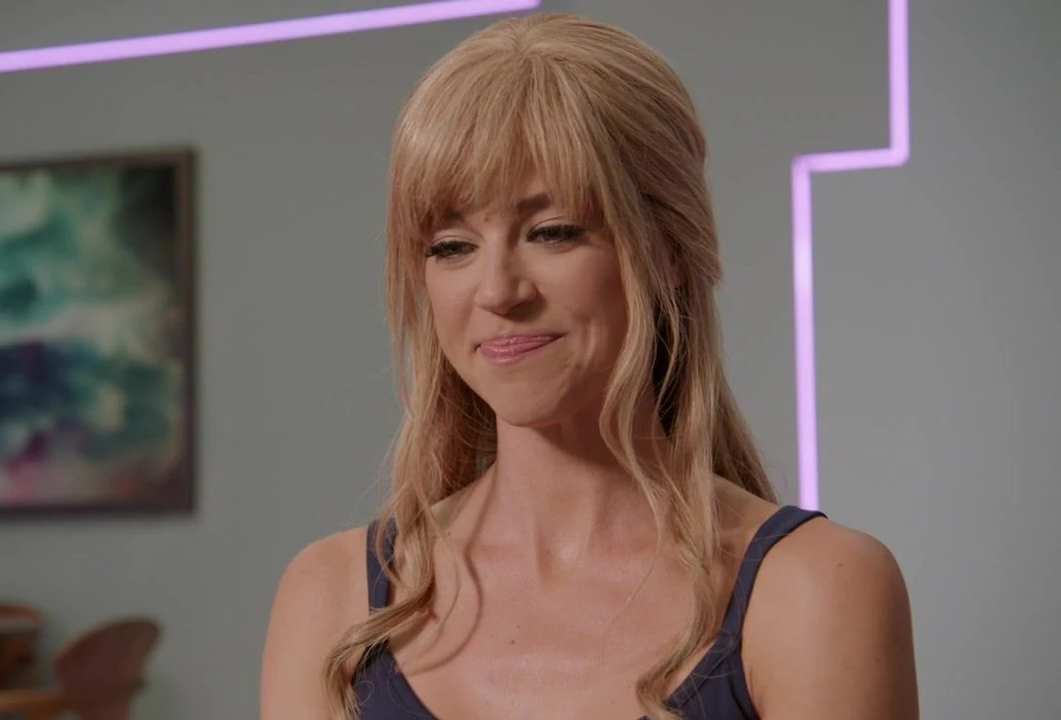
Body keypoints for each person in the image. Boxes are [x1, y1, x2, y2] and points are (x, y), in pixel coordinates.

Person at [260, 11, 918, 720]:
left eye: (552, 232)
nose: (497, 291)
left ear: (669, 250)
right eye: (452, 245)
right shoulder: (332, 601)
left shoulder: (816, 590)